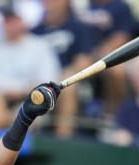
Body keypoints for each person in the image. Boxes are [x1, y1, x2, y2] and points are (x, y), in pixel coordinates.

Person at [0, 7, 61, 110]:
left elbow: (50, 81)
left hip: (25, 99)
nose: (8, 24)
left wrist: (23, 91)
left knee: (26, 112)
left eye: (13, 20)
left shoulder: (40, 47)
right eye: (6, 20)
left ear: (23, 21)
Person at [31, 0, 94, 135]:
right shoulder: (34, 32)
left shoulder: (78, 27)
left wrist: (64, 74)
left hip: (64, 81)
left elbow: (85, 61)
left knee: (68, 84)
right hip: (37, 81)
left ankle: (62, 140)